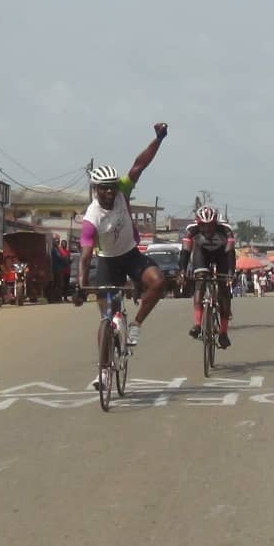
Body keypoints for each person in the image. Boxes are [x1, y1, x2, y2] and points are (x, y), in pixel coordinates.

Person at [74, 123, 168, 384]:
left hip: (130, 254)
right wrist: (80, 285)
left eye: (112, 187)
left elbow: (140, 165)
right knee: (107, 318)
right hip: (107, 263)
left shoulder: (122, 193)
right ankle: (103, 371)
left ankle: (136, 325)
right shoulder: (91, 217)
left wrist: (158, 139)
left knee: (159, 282)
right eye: (103, 188)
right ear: (95, 189)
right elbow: (85, 255)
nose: (109, 192)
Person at [178, 206, 235, 349]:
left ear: (216, 223)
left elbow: (230, 253)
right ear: (198, 223)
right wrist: (182, 271)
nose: (208, 229)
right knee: (200, 281)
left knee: (224, 290)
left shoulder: (226, 230)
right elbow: (185, 252)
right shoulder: (191, 230)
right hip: (202, 253)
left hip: (222, 254)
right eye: (203, 226)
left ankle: (223, 332)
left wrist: (230, 273)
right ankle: (197, 325)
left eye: (211, 226)